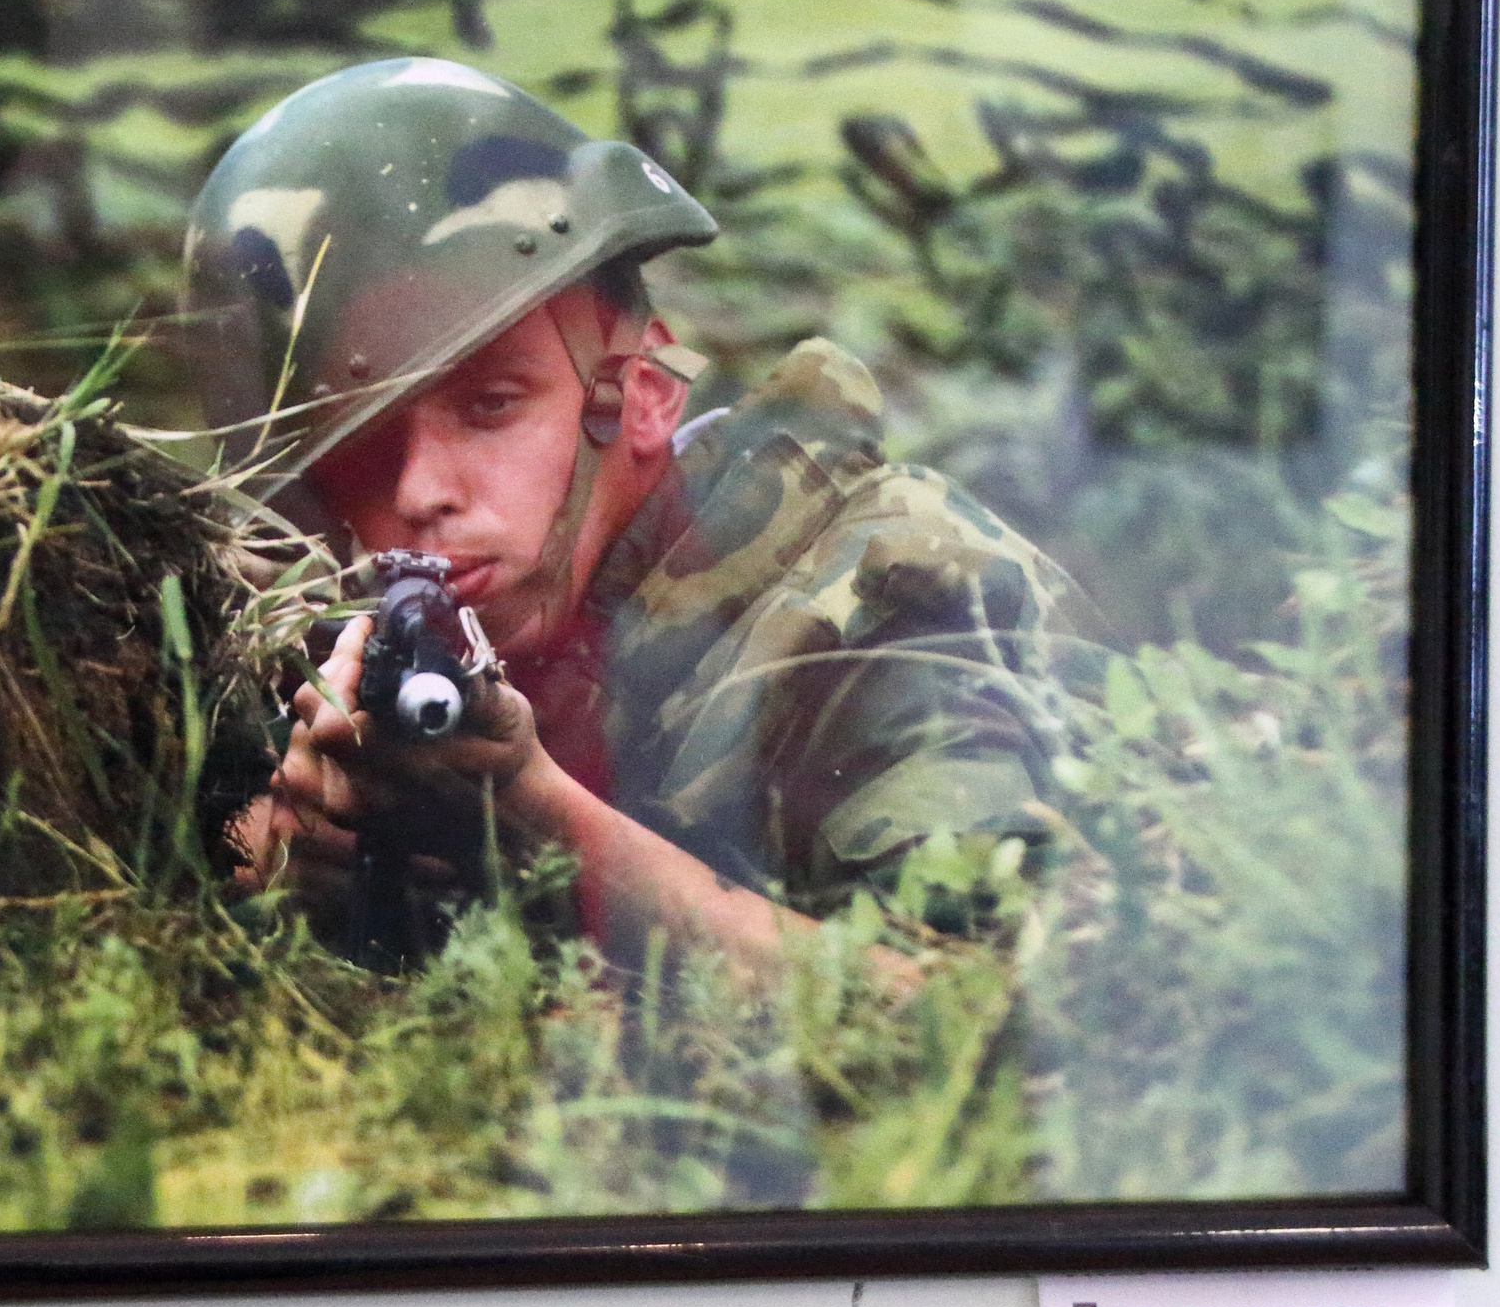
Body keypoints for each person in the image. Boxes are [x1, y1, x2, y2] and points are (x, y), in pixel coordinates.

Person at [180, 58, 1086, 982]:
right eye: (358, 450)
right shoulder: (314, 632)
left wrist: (537, 822)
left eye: (491, 404)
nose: (419, 492)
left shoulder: (886, 586)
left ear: (644, 394)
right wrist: (289, 863)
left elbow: (974, 1009)